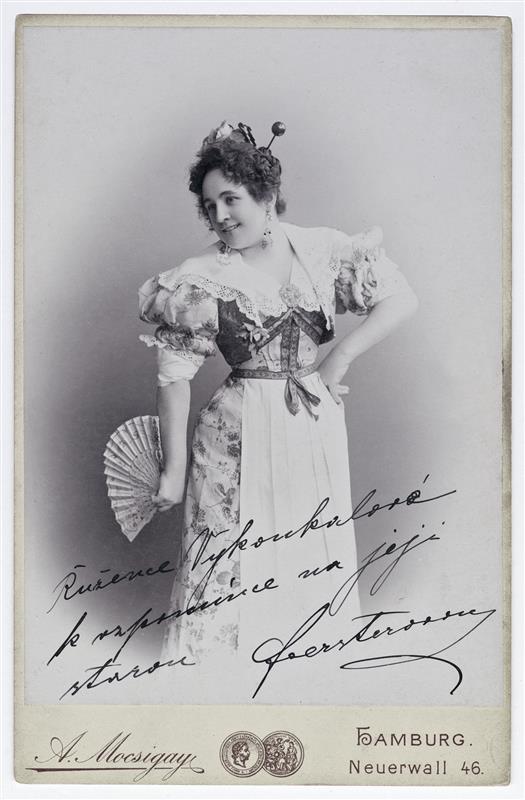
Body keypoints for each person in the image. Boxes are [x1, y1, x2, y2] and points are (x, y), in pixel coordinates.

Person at [138, 120, 418, 703]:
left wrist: (339, 358)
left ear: (265, 194)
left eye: (230, 199)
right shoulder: (200, 278)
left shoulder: (320, 249)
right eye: (209, 206)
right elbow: (174, 377)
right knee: (230, 559)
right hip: (234, 436)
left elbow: (400, 298)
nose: (220, 216)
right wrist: (172, 471)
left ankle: (302, 680)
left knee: (306, 550)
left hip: (313, 425)